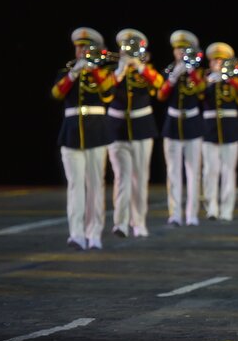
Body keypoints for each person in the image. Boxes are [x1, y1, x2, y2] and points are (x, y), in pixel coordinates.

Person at [52, 27, 116, 250]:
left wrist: (94, 70)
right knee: (75, 185)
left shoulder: (104, 72)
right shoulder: (68, 70)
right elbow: (57, 93)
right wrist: (73, 74)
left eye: (86, 47)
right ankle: (76, 234)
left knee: (96, 185)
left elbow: (109, 93)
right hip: (71, 132)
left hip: (96, 131)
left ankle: (94, 233)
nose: (81, 50)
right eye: (79, 47)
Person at [107, 28, 164, 238]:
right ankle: (120, 223)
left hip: (142, 128)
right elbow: (104, 91)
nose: (128, 52)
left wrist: (140, 67)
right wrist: (119, 71)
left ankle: (138, 222)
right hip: (116, 128)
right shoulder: (113, 69)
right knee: (121, 177)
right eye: (125, 47)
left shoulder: (146, 70)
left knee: (140, 178)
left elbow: (160, 85)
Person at [157, 29, 206, 227]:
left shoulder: (198, 72)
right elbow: (161, 95)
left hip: (193, 124)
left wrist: (191, 72)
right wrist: (173, 78)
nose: (180, 53)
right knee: (173, 172)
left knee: (194, 172)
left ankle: (192, 213)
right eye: (177, 49)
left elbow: (202, 92)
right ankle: (175, 213)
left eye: (184, 49)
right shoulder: (170, 70)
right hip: (172, 124)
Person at [201, 42, 238, 221]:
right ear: (210, 62)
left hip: (230, 128)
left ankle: (227, 209)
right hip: (209, 128)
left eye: (222, 60)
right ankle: (211, 207)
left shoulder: (233, 79)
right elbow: (197, 93)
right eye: (215, 60)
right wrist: (210, 81)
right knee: (210, 171)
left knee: (229, 171)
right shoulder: (205, 78)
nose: (218, 64)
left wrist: (228, 78)